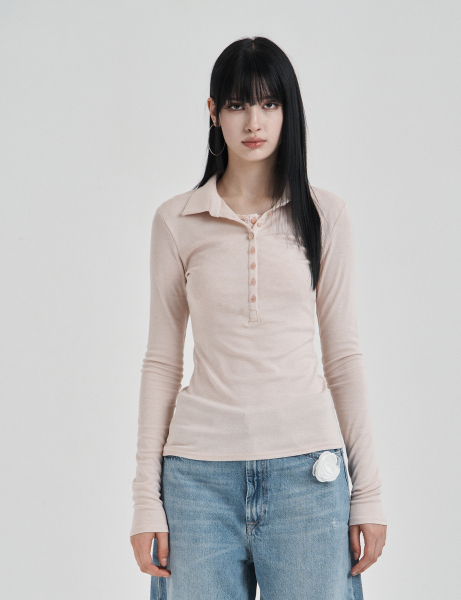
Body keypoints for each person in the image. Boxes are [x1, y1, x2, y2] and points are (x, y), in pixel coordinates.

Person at [130, 36, 387, 600]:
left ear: (289, 111)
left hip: (309, 481)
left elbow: (343, 357)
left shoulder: (325, 215)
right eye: (238, 104)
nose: (254, 121)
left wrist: (368, 493)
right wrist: (146, 499)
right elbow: (161, 362)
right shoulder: (176, 221)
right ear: (213, 112)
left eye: (270, 103)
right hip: (197, 483)